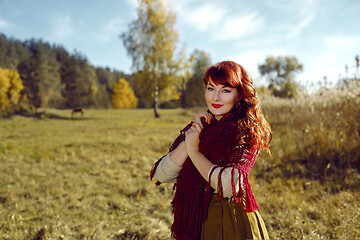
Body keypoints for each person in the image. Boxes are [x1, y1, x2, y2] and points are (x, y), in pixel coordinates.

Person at [150, 61, 272, 240]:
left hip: (230, 220)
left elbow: (229, 186)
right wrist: (192, 137)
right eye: (210, 88)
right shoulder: (202, 128)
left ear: (240, 93)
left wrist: (194, 151)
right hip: (196, 219)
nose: (215, 98)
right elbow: (162, 175)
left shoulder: (246, 131)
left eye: (225, 90)